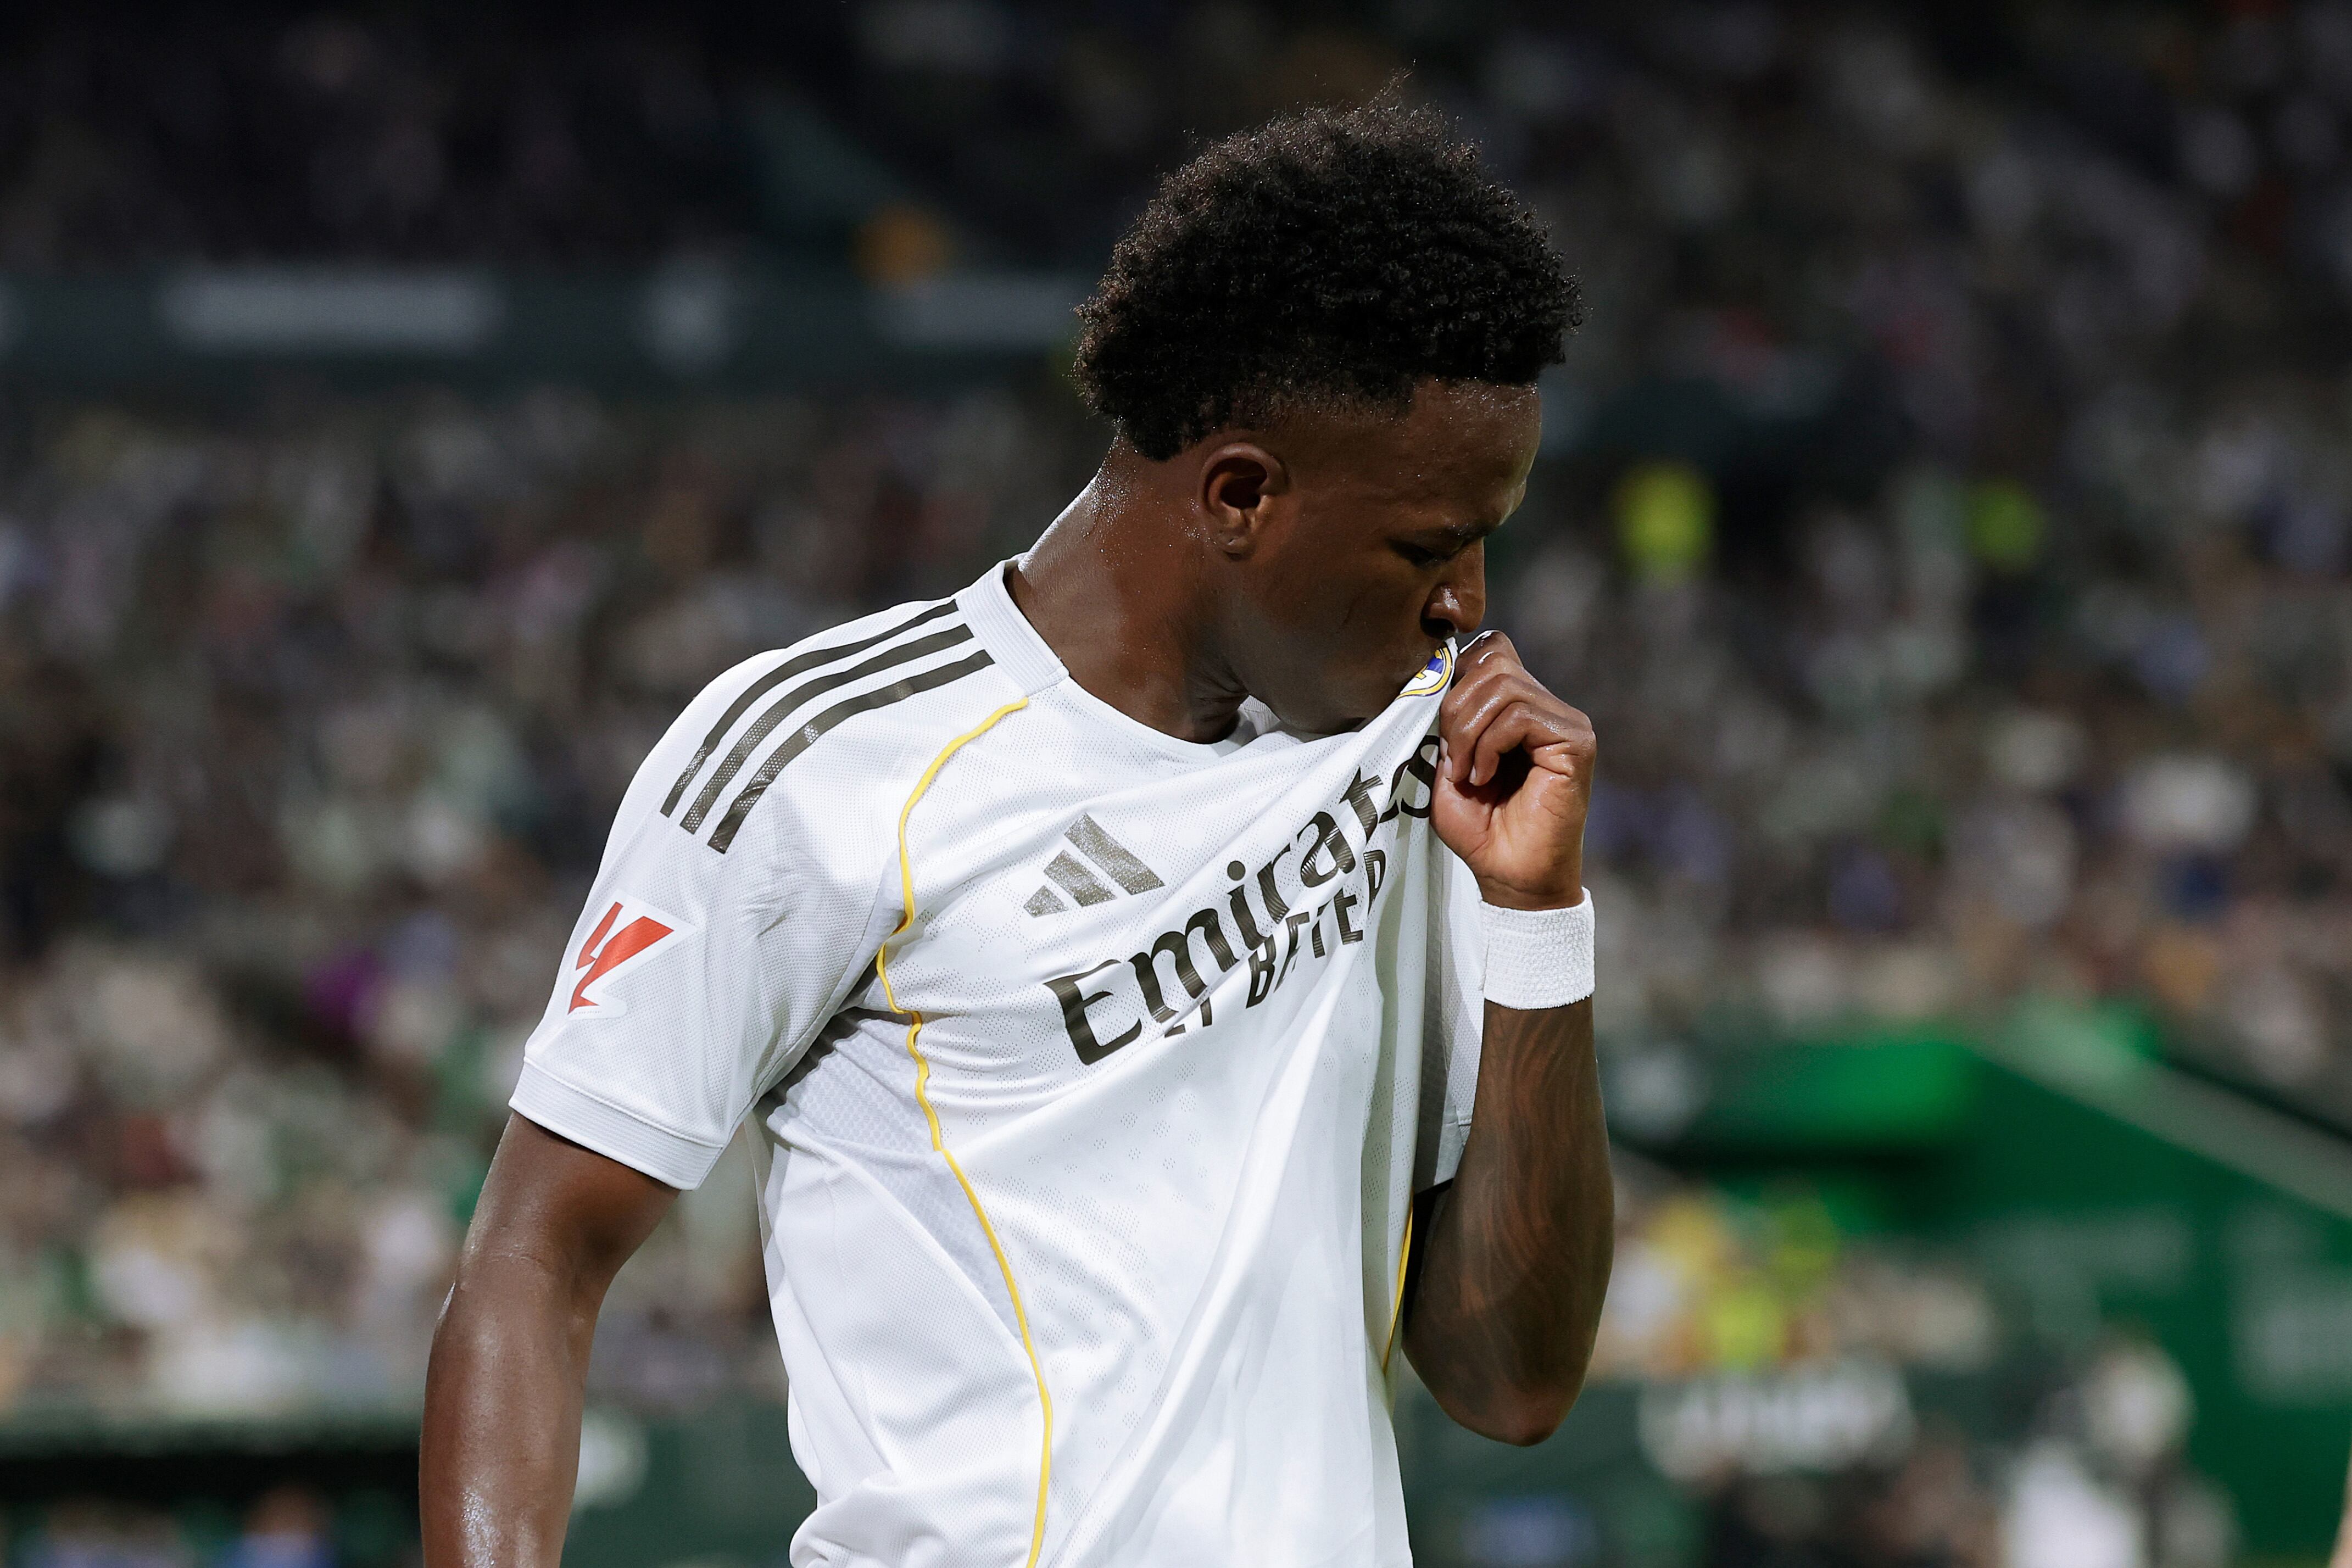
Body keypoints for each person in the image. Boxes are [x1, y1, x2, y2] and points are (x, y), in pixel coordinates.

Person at [420, 101, 1613, 1568]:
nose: (1469, 605)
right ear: (1239, 494)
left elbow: (1511, 1384)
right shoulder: (825, 759)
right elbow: (534, 1262)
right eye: (1428, 547)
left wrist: (1537, 925)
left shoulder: (1404, 761)